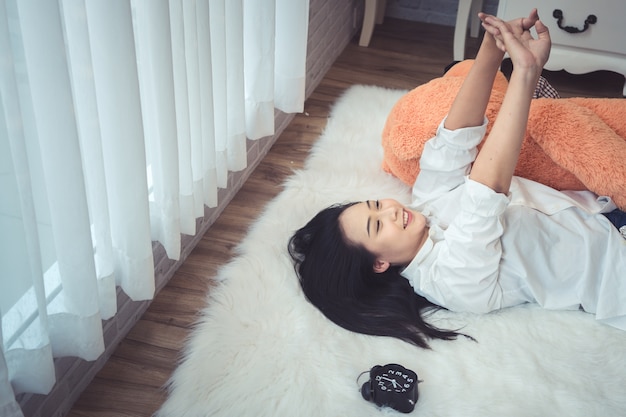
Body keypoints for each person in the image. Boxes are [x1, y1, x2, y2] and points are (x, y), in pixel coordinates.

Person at [289, 10, 626, 349]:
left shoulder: (427, 205)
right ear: (379, 263)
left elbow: (456, 136)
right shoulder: (450, 282)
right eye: (377, 226)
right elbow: (486, 193)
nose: (390, 211)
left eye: (376, 205)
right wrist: (524, 73)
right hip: (616, 271)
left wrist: (492, 48)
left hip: (606, 212)